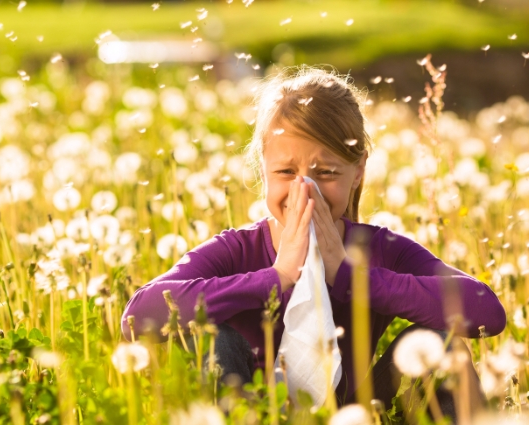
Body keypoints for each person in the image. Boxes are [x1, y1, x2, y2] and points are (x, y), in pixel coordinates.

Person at [122, 66, 506, 421]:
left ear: (358, 173)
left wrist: (353, 277)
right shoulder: (237, 250)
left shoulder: (380, 249)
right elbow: (137, 316)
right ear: (262, 168)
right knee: (213, 339)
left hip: (354, 413)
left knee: (441, 344)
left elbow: (486, 311)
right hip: (250, 410)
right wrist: (277, 277)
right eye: (286, 172)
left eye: (326, 173)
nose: (304, 190)